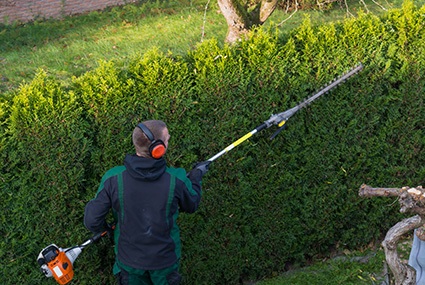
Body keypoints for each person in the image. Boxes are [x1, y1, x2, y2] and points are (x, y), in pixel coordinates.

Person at [84, 120, 210, 285]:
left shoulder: (113, 178)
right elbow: (191, 204)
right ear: (158, 149)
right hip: (164, 262)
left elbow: (92, 220)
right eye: (167, 138)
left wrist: (107, 229)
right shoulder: (176, 178)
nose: (169, 139)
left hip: (129, 261)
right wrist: (195, 178)